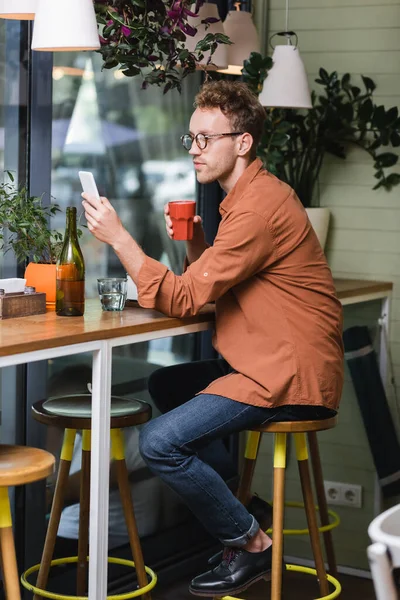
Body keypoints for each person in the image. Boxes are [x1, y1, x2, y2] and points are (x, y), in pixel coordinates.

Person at [82, 80, 344, 598]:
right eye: (191, 139)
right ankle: (241, 510)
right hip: (266, 360)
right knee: (170, 382)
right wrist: (199, 242)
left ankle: (250, 544)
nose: (196, 150)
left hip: (288, 375)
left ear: (242, 142)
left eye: (207, 139)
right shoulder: (247, 200)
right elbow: (215, 287)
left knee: (158, 443)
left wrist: (119, 238)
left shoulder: (255, 209)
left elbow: (182, 299)